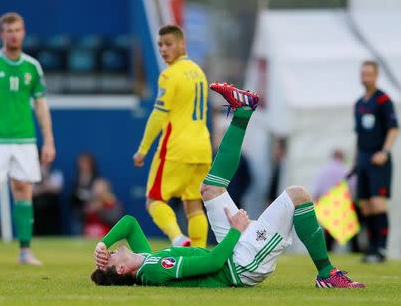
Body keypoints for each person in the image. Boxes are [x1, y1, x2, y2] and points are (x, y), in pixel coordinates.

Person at [92, 83, 365, 289]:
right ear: (121, 271)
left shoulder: (145, 260)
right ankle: (326, 274)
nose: (113, 252)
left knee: (209, 189)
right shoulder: (153, 271)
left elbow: (128, 223)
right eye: (113, 256)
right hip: (242, 264)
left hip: (231, 251)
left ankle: (243, 111)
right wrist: (235, 230)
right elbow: (211, 264)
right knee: (299, 196)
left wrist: (103, 244)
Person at [0, 12, 55, 265]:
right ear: (1, 34)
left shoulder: (32, 66)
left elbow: (41, 105)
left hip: (25, 140)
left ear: (23, 32)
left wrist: (48, 140)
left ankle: (25, 251)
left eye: (17, 30)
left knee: (23, 191)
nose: (13, 34)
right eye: (8, 31)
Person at [132, 25, 212, 247]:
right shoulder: (198, 72)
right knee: (194, 204)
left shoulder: (169, 74)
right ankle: (199, 254)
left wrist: (143, 150)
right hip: (202, 148)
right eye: (160, 45)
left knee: (154, 200)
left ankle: (178, 239)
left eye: (169, 44)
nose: (163, 49)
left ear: (182, 44)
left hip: (177, 147)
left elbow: (159, 115)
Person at [352, 60, 399, 263]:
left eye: (369, 74)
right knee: (365, 205)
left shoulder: (383, 100)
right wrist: (355, 161)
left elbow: (393, 128)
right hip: (363, 160)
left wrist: (384, 151)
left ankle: (381, 248)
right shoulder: (359, 104)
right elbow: (359, 135)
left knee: (378, 203)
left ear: (376, 75)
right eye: (363, 74)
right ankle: (371, 248)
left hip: (378, 160)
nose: (366, 77)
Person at [312, 149, 360, 252]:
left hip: (328, 204)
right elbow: (353, 186)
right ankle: (355, 251)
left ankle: (328, 251)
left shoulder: (323, 171)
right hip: (343, 204)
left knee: (329, 230)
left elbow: (317, 190)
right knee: (349, 229)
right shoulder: (345, 170)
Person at [69, 152, 99, 234]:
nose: (83, 165)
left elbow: (98, 195)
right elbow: (73, 195)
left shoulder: (96, 178)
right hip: (79, 212)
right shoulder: (77, 178)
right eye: (81, 162)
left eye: (85, 162)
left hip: (93, 213)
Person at [32, 162, 64, 235]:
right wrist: (45, 187)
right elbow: (32, 192)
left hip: (51, 212)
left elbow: (56, 188)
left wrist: (45, 176)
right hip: (36, 212)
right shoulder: (32, 176)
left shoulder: (55, 173)